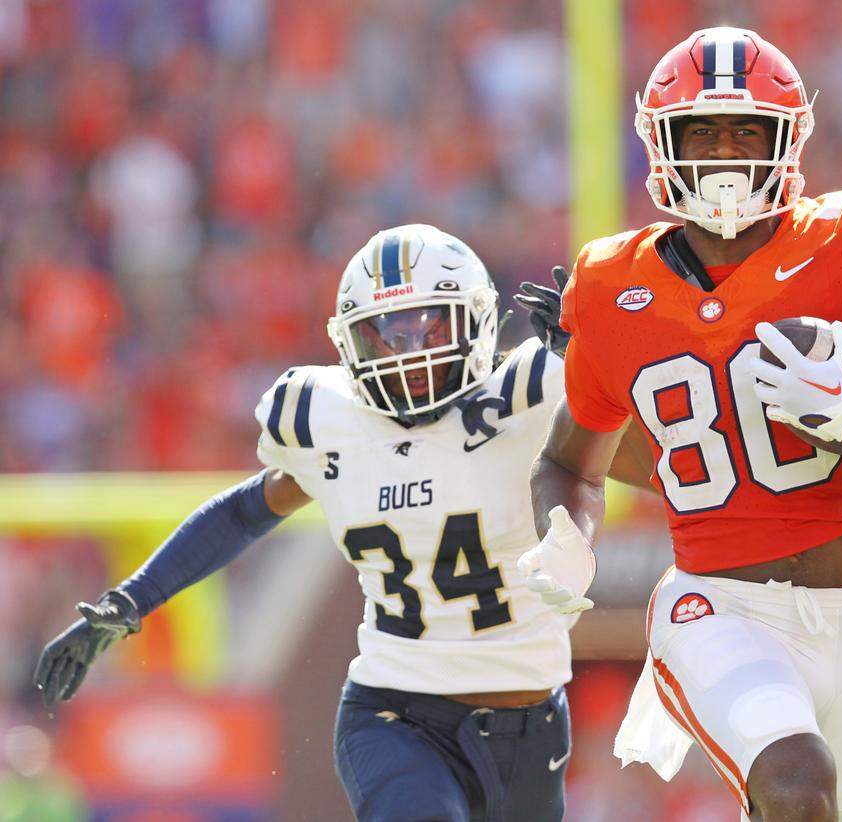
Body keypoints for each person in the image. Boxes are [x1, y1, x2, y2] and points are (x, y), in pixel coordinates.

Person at [34, 224, 651, 822]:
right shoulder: (333, 423)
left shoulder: (530, 391)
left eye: (425, 325)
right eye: (384, 333)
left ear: (477, 322)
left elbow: (665, 459)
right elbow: (246, 509)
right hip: (396, 715)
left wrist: (599, 370)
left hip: (530, 724)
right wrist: (133, 598)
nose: (407, 352)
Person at [518, 27, 842, 822]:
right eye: (703, 131)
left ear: (786, 140)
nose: (726, 152)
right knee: (797, 787)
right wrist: (566, 532)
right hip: (715, 608)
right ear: (665, 145)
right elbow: (571, 459)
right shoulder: (610, 286)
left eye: (746, 131)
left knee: (809, 807)